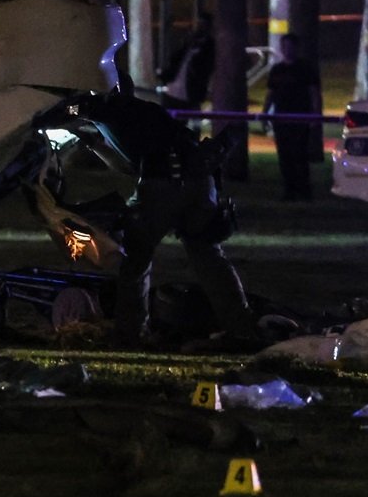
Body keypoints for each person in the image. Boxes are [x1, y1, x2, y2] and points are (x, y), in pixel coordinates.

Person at [82, 88, 257, 348]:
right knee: (209, 257)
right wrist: (94, 144)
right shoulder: (144, 112)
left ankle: (130, 334)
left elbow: (84, 114)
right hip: (200, 179)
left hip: (163, 184)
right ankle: (241, 327)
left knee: (135, 259)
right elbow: (132, 162)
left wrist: (66, 122)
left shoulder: (105, 111)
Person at [263, 37, 322, 201]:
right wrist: (265, 113)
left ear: (296, 48)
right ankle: (289, 189)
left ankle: (304, 190)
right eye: (284, 46)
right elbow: (271, 94)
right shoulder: (277, 70)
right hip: (280, 119)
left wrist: (315, 116)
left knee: (300, 154)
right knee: (284, 155)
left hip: (299, 117)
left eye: (290, 46)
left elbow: (314, 93)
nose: (287, 50)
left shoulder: (305, 69)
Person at [159, 12, 215, 109]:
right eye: (199, 24)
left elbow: (204, 68)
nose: (200, 27)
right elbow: (176, 59)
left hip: (190, 91)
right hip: (173, 89)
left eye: (203, 24)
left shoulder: (209, 46)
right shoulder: (189, 43)